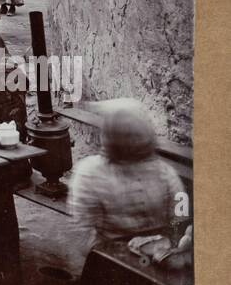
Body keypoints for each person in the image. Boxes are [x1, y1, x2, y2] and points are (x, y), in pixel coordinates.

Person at [68, 100, 185, 251]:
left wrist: (171, 243)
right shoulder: (90, 174)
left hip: (159, 252)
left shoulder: (166, 174)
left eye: (136, 136)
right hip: (111, 256)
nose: (133, 142)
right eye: (126, 136)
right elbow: (81, 232)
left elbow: (182, 220)